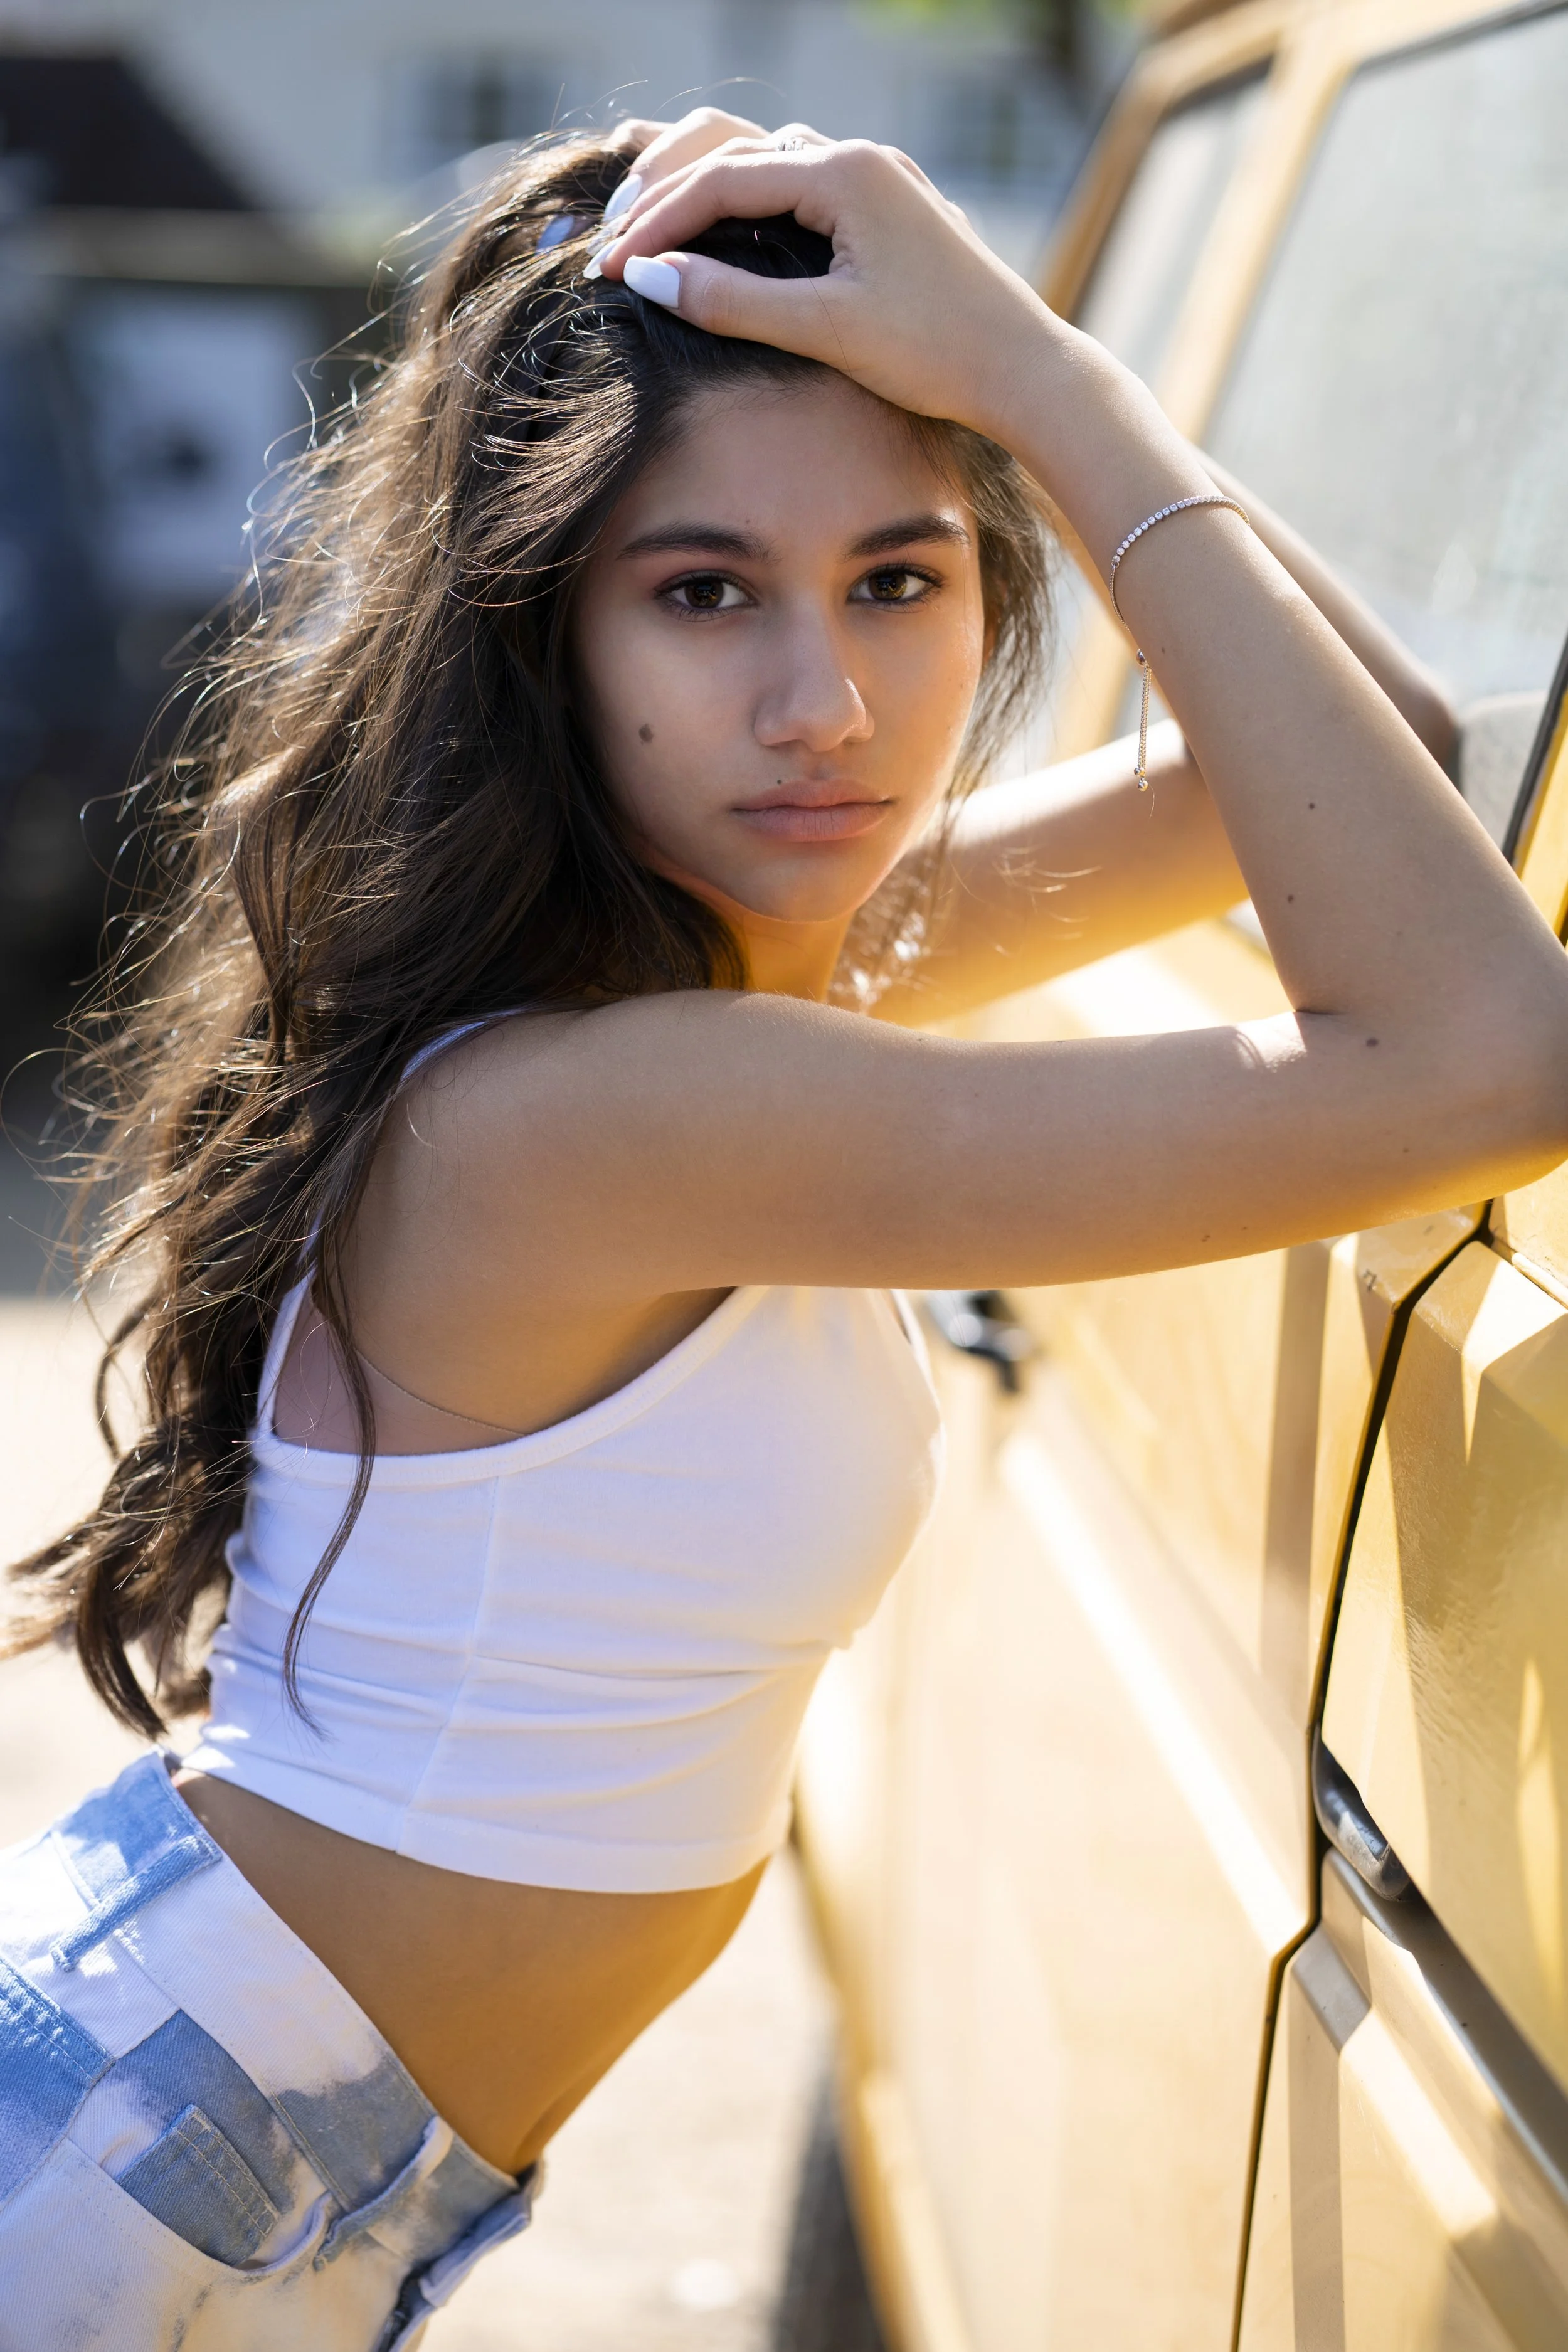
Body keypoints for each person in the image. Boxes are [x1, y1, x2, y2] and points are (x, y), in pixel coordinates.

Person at [2, 105, 1564, 2350]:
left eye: (900, 580)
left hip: (268, 2154)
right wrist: (1040, 384)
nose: (824, 703)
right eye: (704, 590)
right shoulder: (626, 1099)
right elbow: (1485, 1056)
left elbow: (1367, 746)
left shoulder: (736, 979)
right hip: (129, 2168)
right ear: (542, 633)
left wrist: (1017, 367)